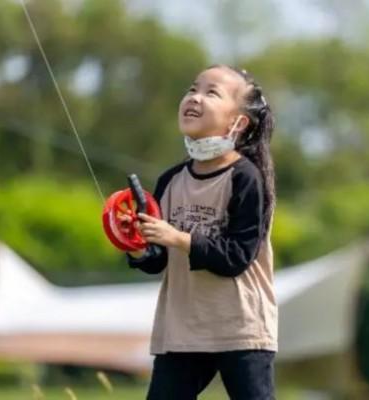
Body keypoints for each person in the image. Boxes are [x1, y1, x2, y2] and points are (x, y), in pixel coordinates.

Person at [126, 65, 277, 399]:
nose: (194, 97)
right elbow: (157, 261)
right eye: (193, 88)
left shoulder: (246, 178)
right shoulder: (170, 181)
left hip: (241, 328)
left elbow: (236, 258)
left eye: (211, 93)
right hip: (183, 330)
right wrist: (136, 244)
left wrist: (176, 237)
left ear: (238, 123)